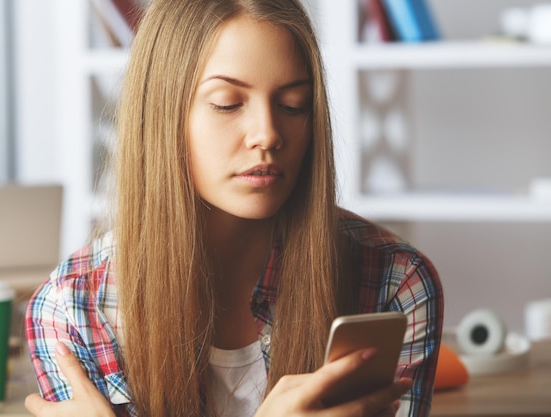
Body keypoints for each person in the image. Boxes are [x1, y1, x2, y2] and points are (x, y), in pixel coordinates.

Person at [24, 0, 443, 416]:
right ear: (161, 115)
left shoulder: (394, 282)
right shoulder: (72, 307)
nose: (267, 134)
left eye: (293, 105)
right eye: (227, 102)